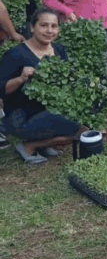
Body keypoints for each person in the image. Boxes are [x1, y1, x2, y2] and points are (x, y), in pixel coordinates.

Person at [0, 9, 89, 164]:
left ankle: (45, 140)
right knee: (80, 131)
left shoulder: (59, 50)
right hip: (22, 116)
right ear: (32, 28)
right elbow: (2, 90)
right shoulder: (16, 54)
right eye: (44, 25)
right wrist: (21, 79)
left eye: (54, 26)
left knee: (87, 121)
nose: (49, 30)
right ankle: (29, 145)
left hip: (49, 110)